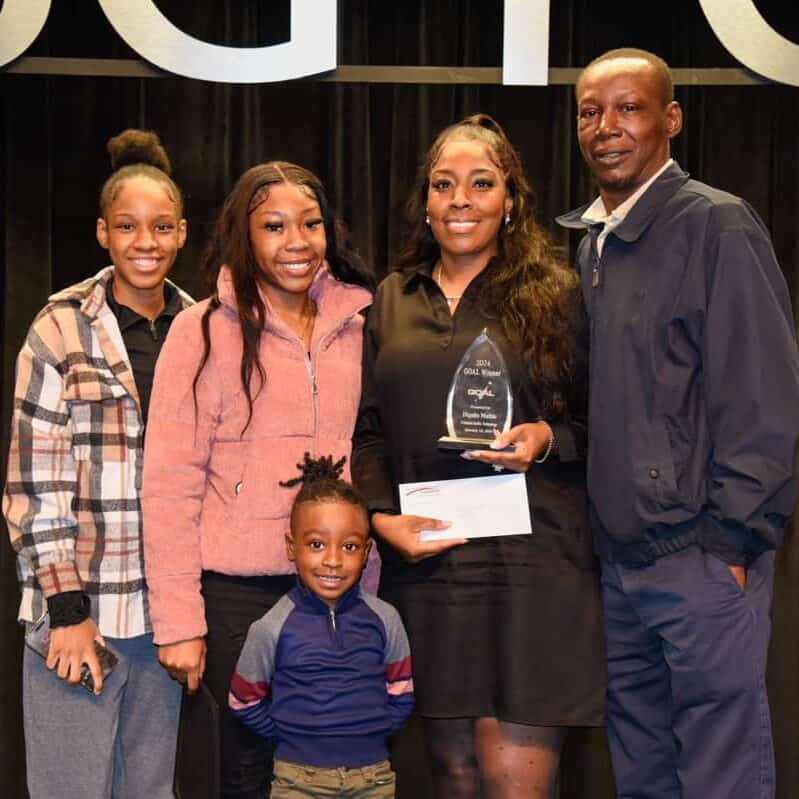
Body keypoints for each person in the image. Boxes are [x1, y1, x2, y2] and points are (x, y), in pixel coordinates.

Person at [556, 48, 799, 799]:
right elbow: (613, 405)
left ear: (670, 120)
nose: (607, 127)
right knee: (643, 772)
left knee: (720, 772)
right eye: (591, 112)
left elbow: (764, 396)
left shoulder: (715, 224)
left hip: (699, 554)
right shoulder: (593, 240)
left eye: (628, 109)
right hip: (621, 563)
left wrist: (733, 540)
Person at [352, 113, 605, 799]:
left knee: (510, 780)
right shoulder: (392, 298)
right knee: (455, 775)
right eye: (443, 184)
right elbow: (368, 430)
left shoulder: (556, 296)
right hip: (433, 562)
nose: (460, 198)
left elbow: (605, 421)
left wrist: (548, 438)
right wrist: (380, 520)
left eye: (480, 183)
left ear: (510, 200)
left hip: (533, 563)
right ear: (425, 202)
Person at [141, 161, 375, 797]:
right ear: (245, 236)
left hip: (337, 591)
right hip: (238, 595)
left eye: (310, 223)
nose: (296, 242)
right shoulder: (202, 330)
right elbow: (168, 483)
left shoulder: (360, 324)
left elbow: (372, 453)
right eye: (274, 226)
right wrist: (180, 622)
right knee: (243, 771)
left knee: (327, 770)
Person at [3, 129, 191, 798]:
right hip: (80, 611)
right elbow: (34, 484)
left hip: (165, 619)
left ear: (182, 233)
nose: (146, 240)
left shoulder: (200, 327)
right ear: (103, 234)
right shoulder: (59, 326)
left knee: (150, 790)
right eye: (128, 226)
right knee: (70, 790)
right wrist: (67, 608)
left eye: (161, 226)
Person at [229, 453, 414, 799]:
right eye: (316, 544)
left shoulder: (385, 619)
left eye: (349, 546)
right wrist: (292, 738)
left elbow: (402, 694)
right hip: (297, 782)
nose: (332, 560)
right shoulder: (270, 627)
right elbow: (243, 701)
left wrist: (368, 736)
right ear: (291, 547)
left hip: (374, 780)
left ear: (366, 552)